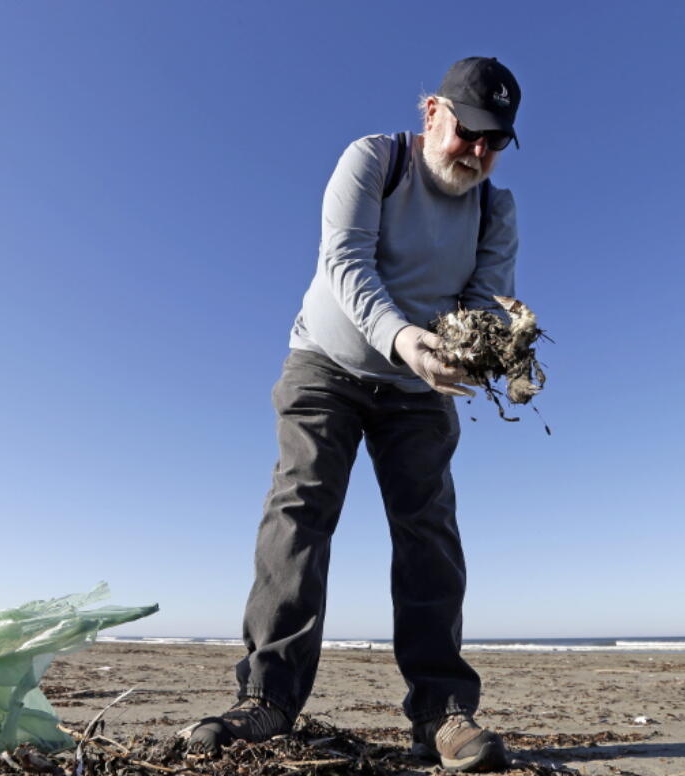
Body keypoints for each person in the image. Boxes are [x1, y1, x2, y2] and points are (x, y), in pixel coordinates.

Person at [187, 56, 522, 773]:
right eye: (469, 132)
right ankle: (267, 700)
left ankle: (441, 711)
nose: (478, 153)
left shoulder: (497, 207)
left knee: (429, 529)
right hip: (327, 367)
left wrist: (500, 353)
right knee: (300, 507)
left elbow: (487, 299)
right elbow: (346, 265)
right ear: (433, 111)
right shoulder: (374, 160)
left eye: (496, 142)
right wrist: (406, 339)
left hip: (419, 391)